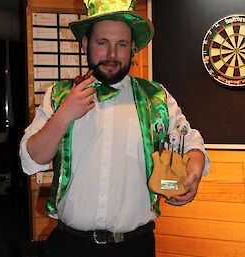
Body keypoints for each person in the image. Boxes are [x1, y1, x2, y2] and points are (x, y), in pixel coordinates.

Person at [20, 0, 210, 256]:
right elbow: (30, 160)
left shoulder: (157, 98)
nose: (111, 55)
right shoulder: (59, 95)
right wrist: (64, 115)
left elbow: (192, 144)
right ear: (86, 44)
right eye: (102, 43)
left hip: (135, 247)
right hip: (69, 246)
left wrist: (194, 175)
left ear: (132, 48)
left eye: (121, 44)